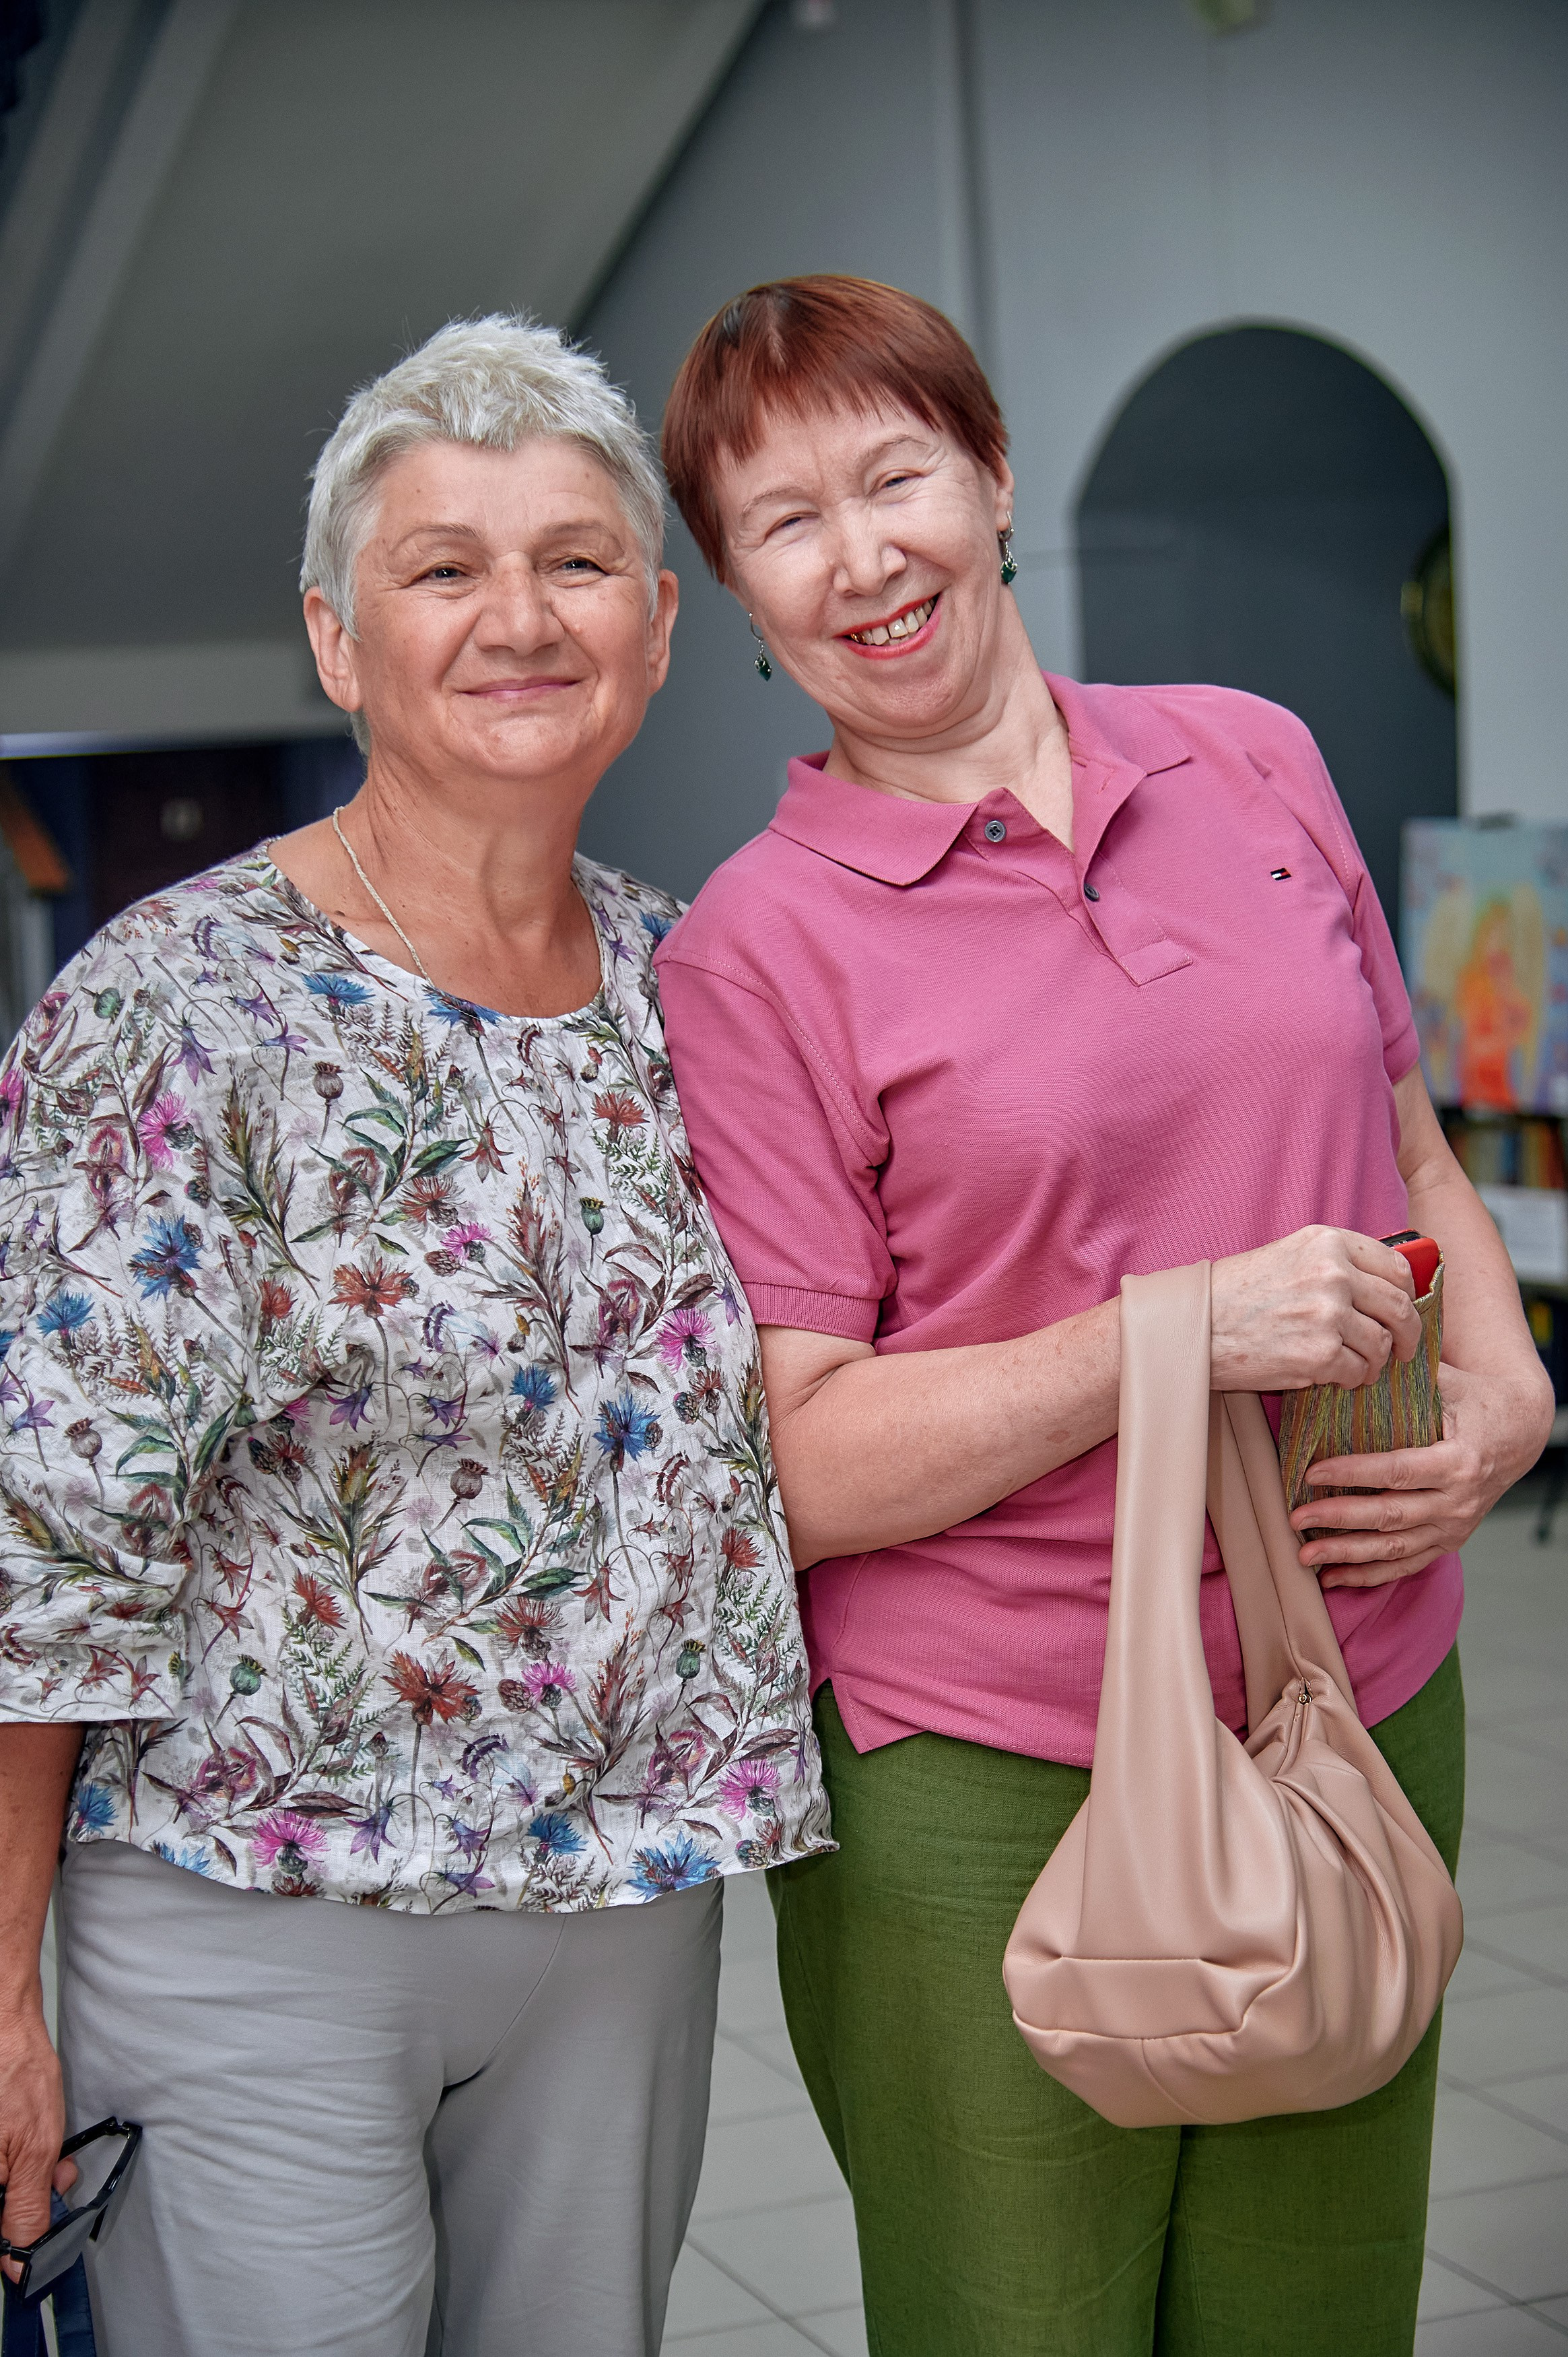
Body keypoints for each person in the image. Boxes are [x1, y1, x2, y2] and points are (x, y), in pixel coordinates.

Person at [651, 276, 1553, 2356]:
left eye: (896, 476)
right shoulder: (753, 954)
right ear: (735, 594)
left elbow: (1402, 1144)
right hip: (995, 1769)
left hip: (1356, 1687)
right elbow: (801, 1459)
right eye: (786, 520)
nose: (864, 554)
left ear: (988, 481)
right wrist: (1175, 1327)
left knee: (1318, 2313)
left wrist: (1506, 1390)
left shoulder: (1251, 760)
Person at [0, 314, 830, 2357]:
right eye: (442, 566)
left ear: (650, 626)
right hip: (252, 1913)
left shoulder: (701, 980)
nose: (514, 616)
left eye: (569, 562)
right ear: (335, 637)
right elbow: (44, 1544)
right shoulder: (177, 1003)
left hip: (623, 1914)